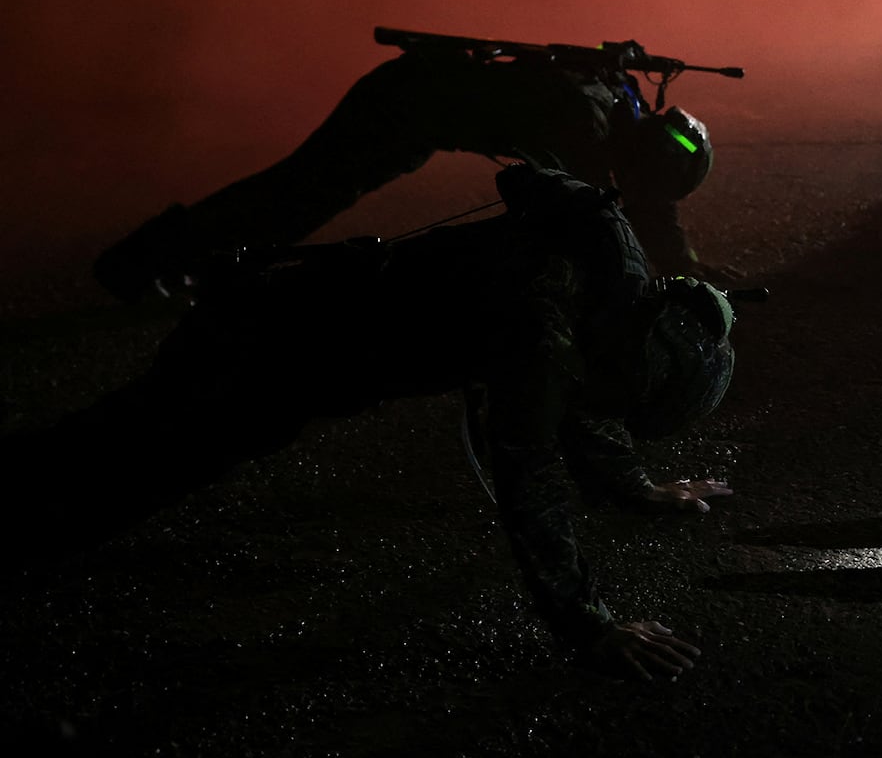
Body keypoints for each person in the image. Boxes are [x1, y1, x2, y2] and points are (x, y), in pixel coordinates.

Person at [5, 167, 737, 682]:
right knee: (125, 468)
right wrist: (591, 623)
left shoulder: (620, 293)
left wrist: (634, 486)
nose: (604, 403)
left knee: (118, 453)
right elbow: (531, 472)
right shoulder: (541, 325)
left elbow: (583, 403)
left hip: (290, 334)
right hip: (266, 346)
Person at [95, 37, 716, 300]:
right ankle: (147, 261)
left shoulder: (625, 101)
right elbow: (599, 207)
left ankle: (190, 265)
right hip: (402, 106)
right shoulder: (587, 122)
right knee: (295, 196)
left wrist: (680, 263)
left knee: (299, 198)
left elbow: (639, 196)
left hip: (421, 109)